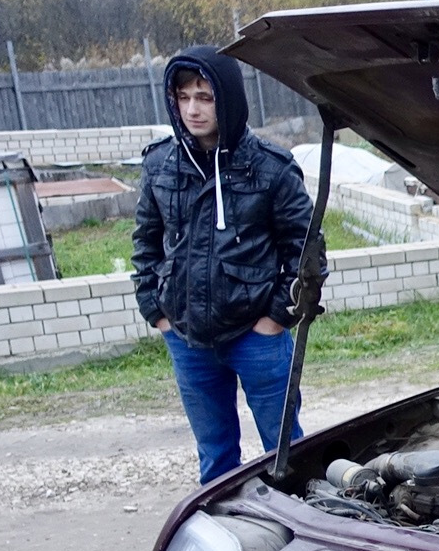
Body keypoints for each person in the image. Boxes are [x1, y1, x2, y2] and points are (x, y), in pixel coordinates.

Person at [132, 46, 314, 484]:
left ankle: (301, 535)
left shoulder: (271, 168)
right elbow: (145, 243)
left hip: (258, 338)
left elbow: (306, 251)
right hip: (187, 339)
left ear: (226, 97)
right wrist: (156, 313)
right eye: (183, 97)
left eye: (205, 96)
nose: (193, 109)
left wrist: (275, 318)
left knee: (287, 453)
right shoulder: (161, 165)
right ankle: (227, 538)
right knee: (215, 459)